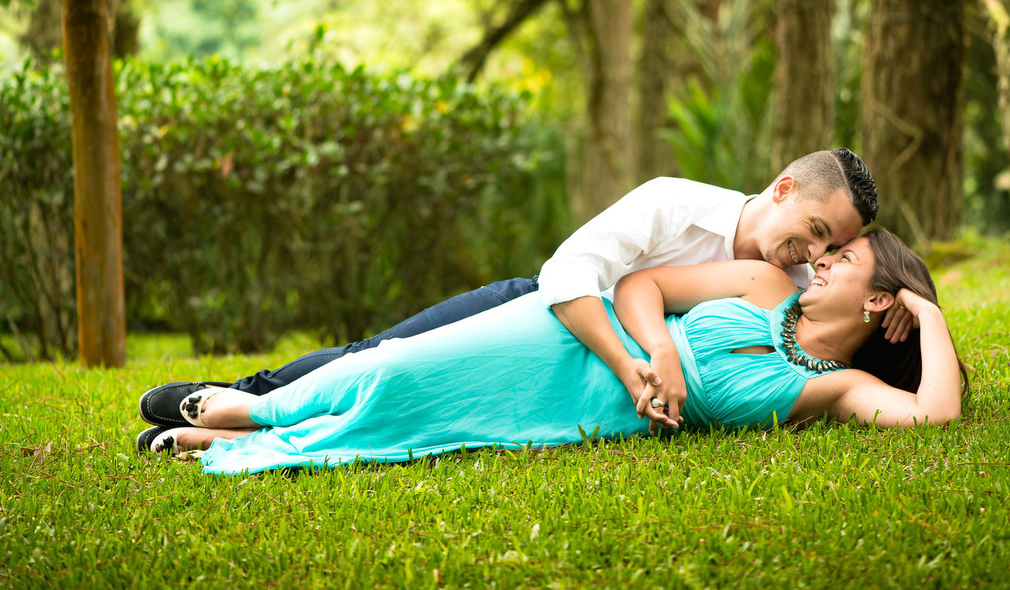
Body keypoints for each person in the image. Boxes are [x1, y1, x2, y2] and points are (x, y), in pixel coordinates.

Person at [138, 148, 894, 435]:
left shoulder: (799, 283)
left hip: (593, 388)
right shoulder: (672, 200)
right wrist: (638, 363)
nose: (815, 251)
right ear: (784, 187)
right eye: (814, 227)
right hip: (540, 313)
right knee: (389, 353)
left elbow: (836, 329)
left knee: (430, 408)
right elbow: (573, 273)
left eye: (831, 246)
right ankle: (246, 394)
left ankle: (254, 421)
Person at [137, 227, 966, 476]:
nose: (819, 260)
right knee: (393, 365)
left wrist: (929, 317)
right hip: (583, 341)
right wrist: (655, 357)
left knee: (420, 425)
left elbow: (933, 419)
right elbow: (643, 287)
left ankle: (250, 440)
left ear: (880, 299)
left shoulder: (840, 387)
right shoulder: (761, 282)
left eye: (844, 261)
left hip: (594, 414)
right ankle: (263, 408)